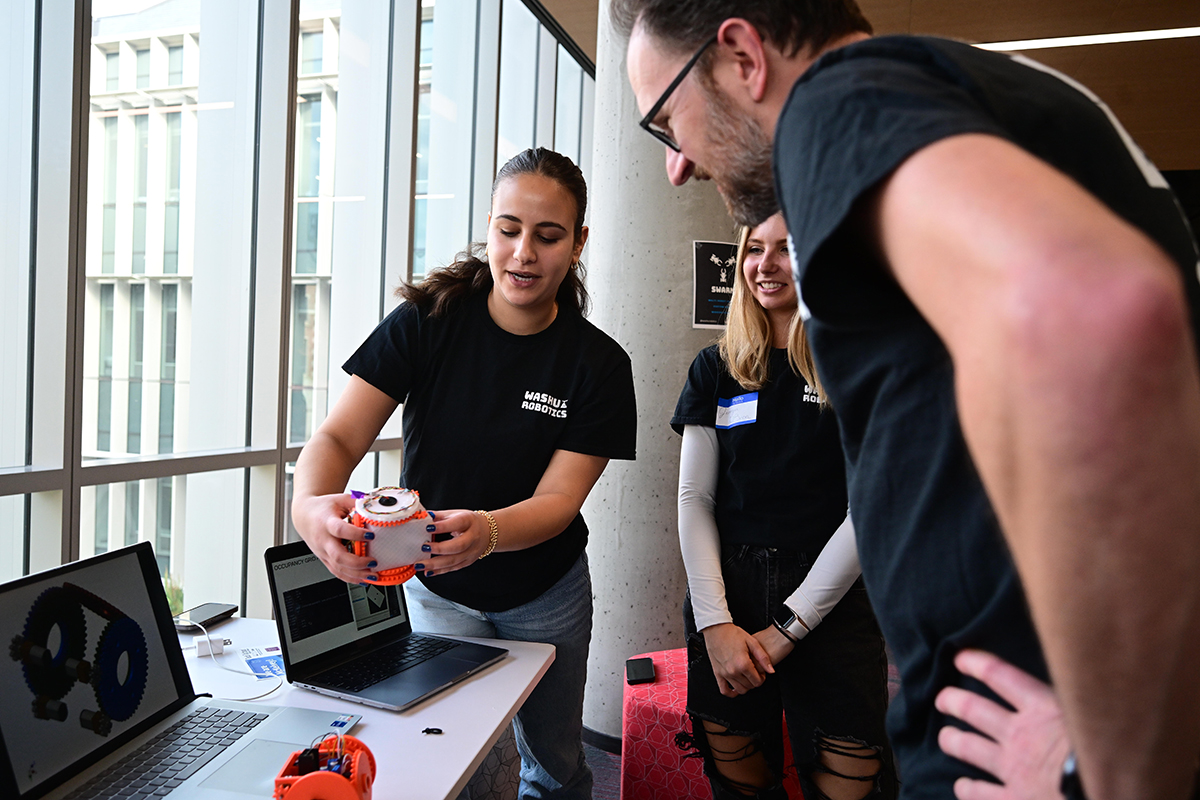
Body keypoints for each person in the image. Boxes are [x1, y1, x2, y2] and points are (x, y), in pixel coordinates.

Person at [613, 2, 1200, 800]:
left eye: (665, 121)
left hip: (1030, 744)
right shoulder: (963, 92)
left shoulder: (837, 106)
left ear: (744, 57)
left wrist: (1105, 770)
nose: (677, 164)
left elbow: (1103, 313)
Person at [291, 147, 638, 800]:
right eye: (508, 230)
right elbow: (339, 435)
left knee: (555, 760)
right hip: (438, 594)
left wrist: (488, 529)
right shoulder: (427, 325)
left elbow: (561, 499)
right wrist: (307, 505)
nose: (524, 253)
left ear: (579, 241)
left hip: (547, 592)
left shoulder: (598, 365)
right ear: (489, 227)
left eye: (548, 235)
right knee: (456, 763)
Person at [672, 212, 895, 800]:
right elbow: (695, 499)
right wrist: (714, 621)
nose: (764, 266)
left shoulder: (856, 364)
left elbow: (867, 509)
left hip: (834, 594)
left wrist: (790, 627)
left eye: (785, 249)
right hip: (729, 591)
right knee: (741, 782)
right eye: (754, 249)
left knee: (850, 782)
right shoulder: (716, 367)